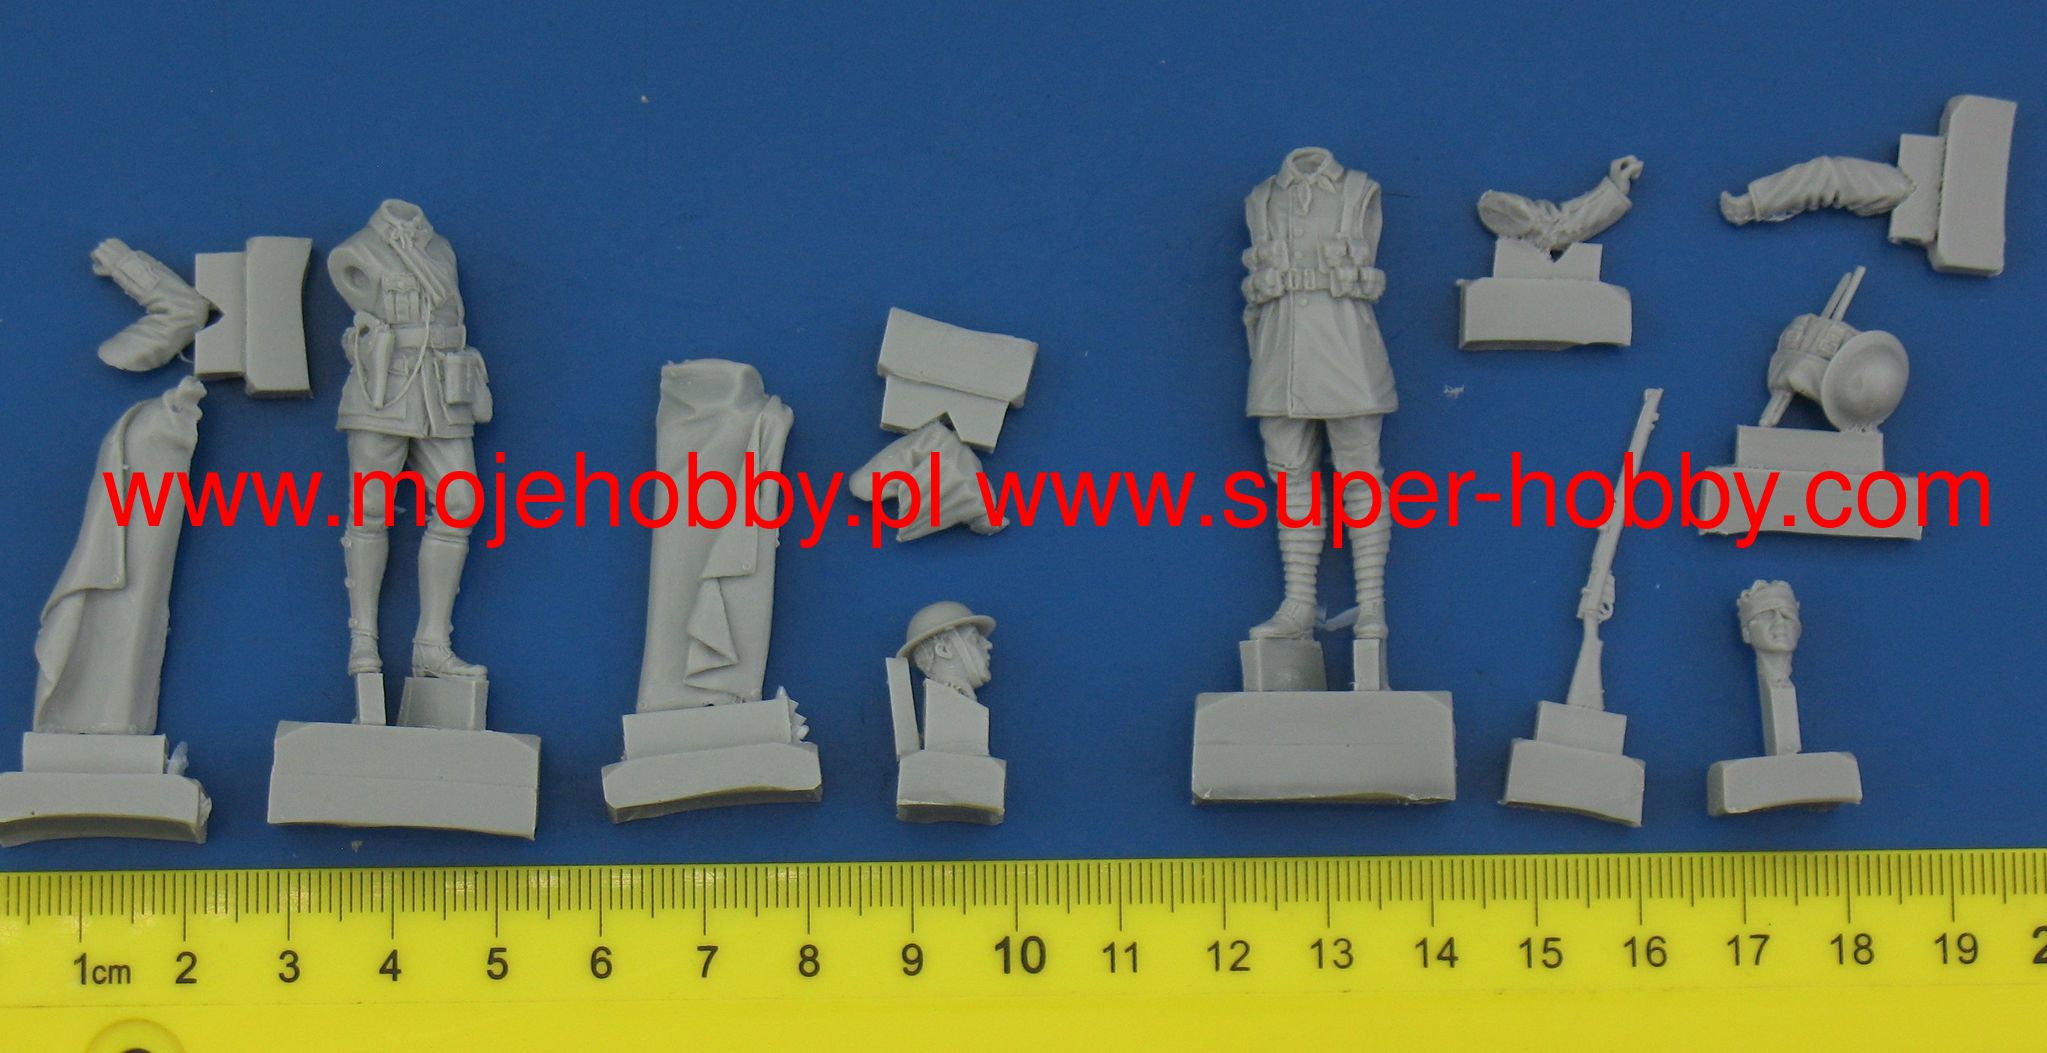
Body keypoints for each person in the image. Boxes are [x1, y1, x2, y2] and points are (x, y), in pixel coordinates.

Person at [327, 200, 495, 681]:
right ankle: (363, 641)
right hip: (385, 386)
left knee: (460, 502)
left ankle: (432, 645)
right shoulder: (356, 251)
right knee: (370, 507)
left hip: (443, 386)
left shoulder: (438, 248)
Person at [1239, 147, 1394, 642]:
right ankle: (1298, 603)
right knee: (1290, 479)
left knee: (1361, 475)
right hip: (1280, 353)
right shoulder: (1261, 199)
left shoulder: (1359, 190)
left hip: (1346, 348)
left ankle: (1371, 605)